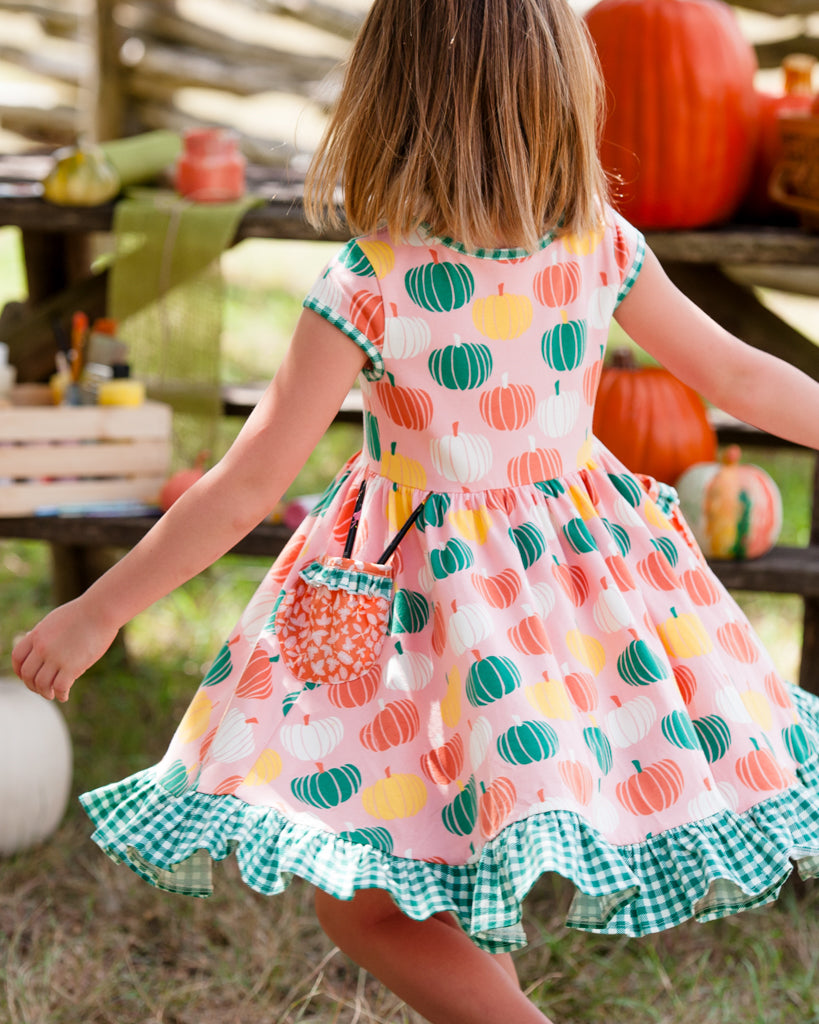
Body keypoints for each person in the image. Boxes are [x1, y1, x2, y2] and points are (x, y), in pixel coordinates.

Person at [13, 2, 819, 1022]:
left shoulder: (373, 279)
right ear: (563, 94)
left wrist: (98, 609)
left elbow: (245, 487)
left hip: (409, 610)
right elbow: (740, 373)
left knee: (363, 903)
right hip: (558, 603)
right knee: (445, 886)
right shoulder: (597, 246)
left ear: (387, 102)